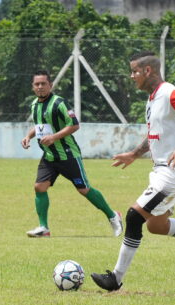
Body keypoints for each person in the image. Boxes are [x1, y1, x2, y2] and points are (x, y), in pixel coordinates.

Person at [91, 51, 175, 292]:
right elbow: (156, 135)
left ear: (147, 71)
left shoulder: (170, 92)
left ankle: (115, 278)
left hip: (174, 171)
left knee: (134, 217)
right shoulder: (153, 99)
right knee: (156, 225)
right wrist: (134, 154)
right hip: (162, 170)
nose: (131, 75)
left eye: (134, 71)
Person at [20, 70, 122, 238]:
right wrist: (28, 136)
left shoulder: (59, 103)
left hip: (68, 155)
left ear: (50, 85)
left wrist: (54, 137)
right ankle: (43, 228)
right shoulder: (34, 105)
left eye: (43, 84)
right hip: (50, 157)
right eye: (37, 84)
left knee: (84, 189)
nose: (40, 87)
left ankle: (113, 216)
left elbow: (74, 125)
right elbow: (39, 125)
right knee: (39, 187)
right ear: (33, 87)